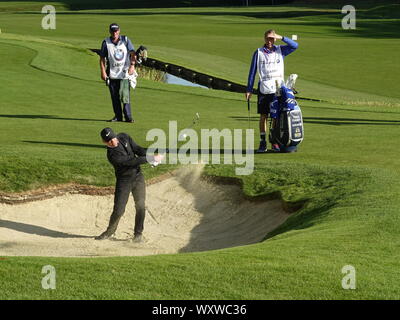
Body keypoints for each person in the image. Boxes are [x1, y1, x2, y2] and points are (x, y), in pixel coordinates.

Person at [95, 127, 163, 242]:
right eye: (109, 141)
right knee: (119, 210)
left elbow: (138, 149)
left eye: (113, 138)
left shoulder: (124, 137)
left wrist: (153, 155)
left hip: (138, 177)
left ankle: (138, 234)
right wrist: (150, 158)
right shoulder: (112, 155)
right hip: (124, 181)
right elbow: (131, 162)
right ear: (104, 142)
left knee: (141, 206)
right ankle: (110, 231)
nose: (113, 142)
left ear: (115, 135)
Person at [245, 29, 298, 153]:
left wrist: (280, 37)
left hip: (278, 89)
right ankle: (263, 142)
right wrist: (249, 89)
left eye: (272, 39)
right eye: (268, 38)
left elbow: (295, 45)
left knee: (275, 116)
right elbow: (252, 72)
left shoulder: (281, 50)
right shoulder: (258, 53)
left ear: (275, 39)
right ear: (264, 39)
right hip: (264, 88)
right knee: (264, 115)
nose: (270, 41)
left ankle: (274, 141)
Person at [99, 23, 136, 123]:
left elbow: (133, 53)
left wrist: (132, 65)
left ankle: (128, 116)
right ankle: (118, 116)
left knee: (125, 95)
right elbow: (102, 58)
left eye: (116, 31)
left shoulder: (125, 40)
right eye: (112, 31)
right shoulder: (106, 42)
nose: (114, 33)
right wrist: (103, 72)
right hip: (112, 74)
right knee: (114, 96)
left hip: (124, 73)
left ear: (119, 31)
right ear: (110, 31)